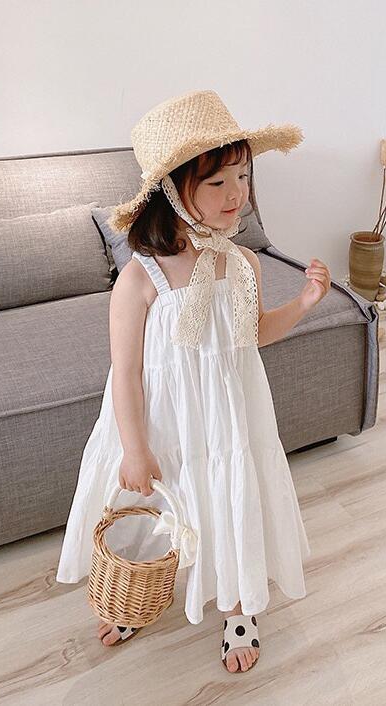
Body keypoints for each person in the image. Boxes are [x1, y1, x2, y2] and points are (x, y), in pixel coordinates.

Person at [55, 90, 331, 673]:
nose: (237, 195)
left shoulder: (244, 264)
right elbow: (126, 373)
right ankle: (136, 595)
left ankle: (238, 607)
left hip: (228, 418)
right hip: (161, 422)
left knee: (231, 502)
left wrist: (305, 303)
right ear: (173, 190)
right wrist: (134, 447)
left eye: (243, 177)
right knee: (150, 504)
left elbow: (254, 334)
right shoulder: (140, 279)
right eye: (217, 182)